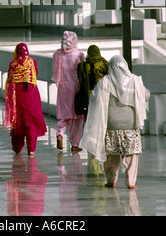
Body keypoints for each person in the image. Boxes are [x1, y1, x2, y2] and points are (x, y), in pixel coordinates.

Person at [80, 54, 150, 189]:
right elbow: (146, 95)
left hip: (111, 125)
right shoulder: (134, 81)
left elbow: (93, 98)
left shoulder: (104, 82)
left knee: (111, 155)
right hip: (130, 125)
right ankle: (131, 181)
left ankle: (111, 180)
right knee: (131, 154)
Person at [4, 42, 47, 156]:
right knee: (31, 123)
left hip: (17, 96)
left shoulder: (12, 64)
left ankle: (17, 147)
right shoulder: (33, 62)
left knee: (18, 122)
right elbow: (35, 74)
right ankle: (31, 149)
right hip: (31, 96)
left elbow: (9, 79)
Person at [52, 31, 85, 152]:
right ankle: (74, 144)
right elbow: (83, 71)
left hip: (62, 88)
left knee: (64, 114)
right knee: (77, 117)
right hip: (75, 87)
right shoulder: (78, 55)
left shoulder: (57, 54)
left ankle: (59, 134)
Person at [76, 45, 109, 119]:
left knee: (88, 118)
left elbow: (80, 80)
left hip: (87, 96)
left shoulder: (81, 65)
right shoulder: (104, 64)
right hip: (100, 94)